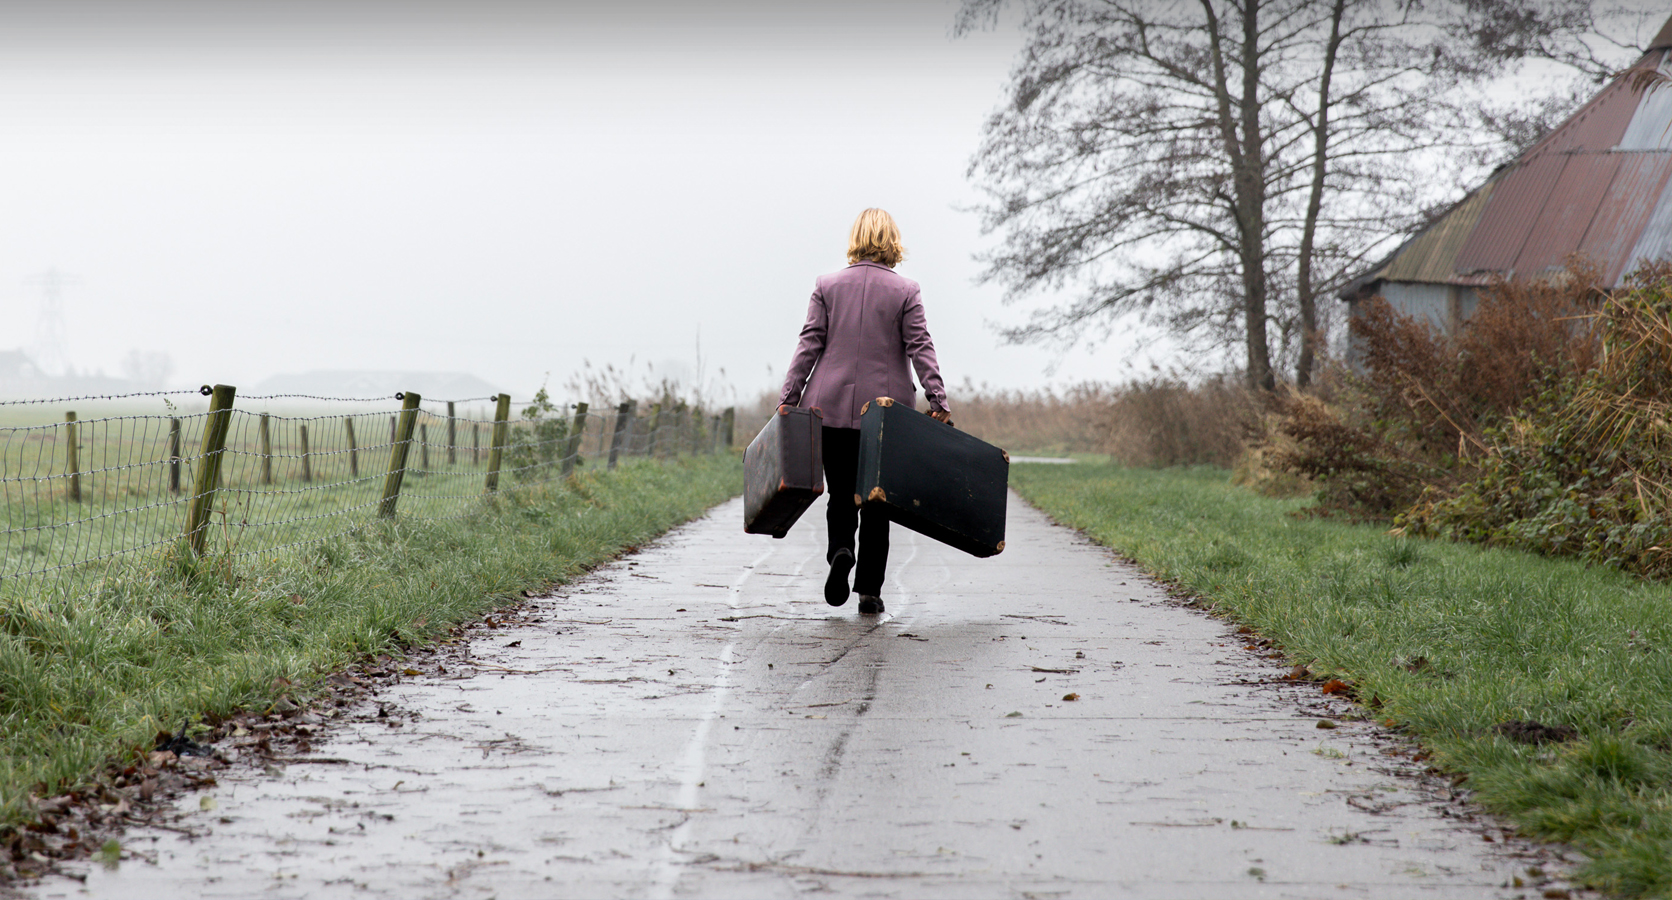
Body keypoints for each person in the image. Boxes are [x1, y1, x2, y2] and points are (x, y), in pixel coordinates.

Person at [778, 208, 951, 615]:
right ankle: (869, 591)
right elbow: (919, 345)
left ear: (855, 238)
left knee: (840, 494)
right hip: (886, 415)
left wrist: (789, 396)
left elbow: (810, 343)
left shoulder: (827, 285)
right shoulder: (906, 290)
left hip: (830, 407)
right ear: (893, 241)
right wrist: (937, 399)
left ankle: (840, 550)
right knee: (878, 501)